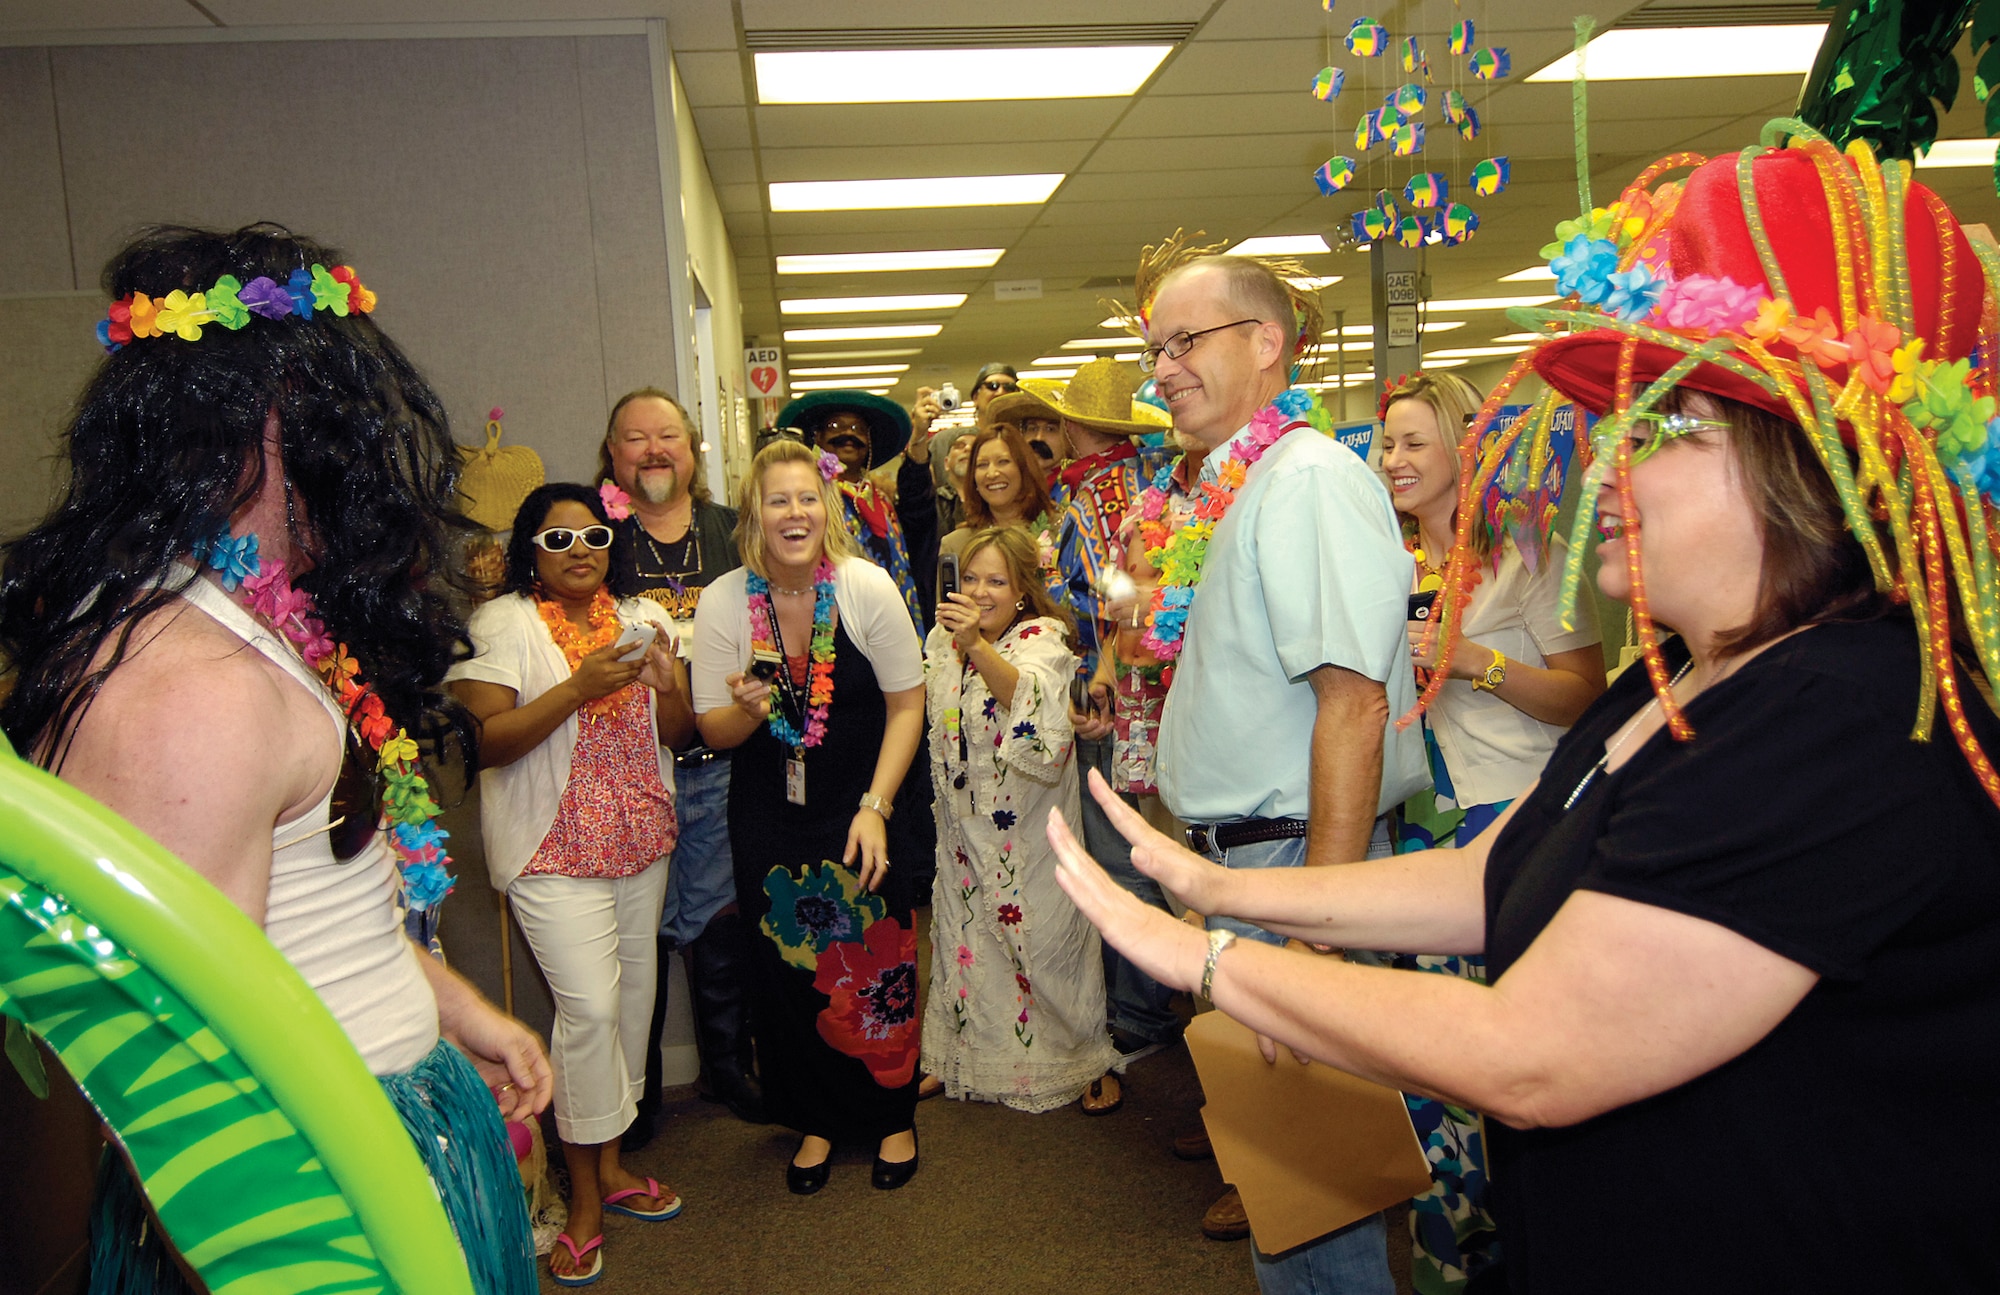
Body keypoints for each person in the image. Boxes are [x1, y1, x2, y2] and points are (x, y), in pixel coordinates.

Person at [1046, 133, 2000, 1295]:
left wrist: (1209, 960)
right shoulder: (1685, 675)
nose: (1598, 466)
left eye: (1653, 431)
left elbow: (1534, 1052)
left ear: (1796, 463)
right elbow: (1497, 869)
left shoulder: (1840, 711)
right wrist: (1223, 889)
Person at [0, 223, 545, 1295]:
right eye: (338, 426)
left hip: (375, 1120)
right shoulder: (188, 682)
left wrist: (444, 1003)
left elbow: (293, 920)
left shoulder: (251, 617)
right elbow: (184, 1070)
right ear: (259, 429)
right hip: (312, 1202)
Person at [1136, 248, 1429, 1293]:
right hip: (1251, 874)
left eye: (1184, 341)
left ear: (1266, 344)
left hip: (1297, 875)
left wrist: (1318, 928)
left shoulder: (1305, 479)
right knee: (1286, 1203)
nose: (1159, 369)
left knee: (1321, 1211)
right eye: (1151, 349)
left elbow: (1352, 703)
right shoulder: (1248, 484)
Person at [1378, 371, 1605, 1288]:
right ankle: (1450, 1264)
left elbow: (1585, 697)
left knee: (1507, 1062)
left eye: (1414, 443)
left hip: (1507, 826)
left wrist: (1478, 662)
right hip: (1412, 827)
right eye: (1386, 444)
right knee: (1428, 1066)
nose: (1393, 460)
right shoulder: (1383, 565)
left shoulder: (1528, 554)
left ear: (1463, 452)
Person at [447, 483, 694, 1285]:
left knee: (628, 1011)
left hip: (638, 837)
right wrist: (578, 687)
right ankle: (581, 1195)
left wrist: (669, 681)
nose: (578, 550)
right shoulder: (500, 624)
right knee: (585, 1011)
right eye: (556, 541)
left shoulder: (644, 617)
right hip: (553, 847)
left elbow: (680, 732)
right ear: (530, 552)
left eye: (590, 534)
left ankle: (614, 1169)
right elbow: (485, 742)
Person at [690, 439, 928, 1194]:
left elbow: (908, 702)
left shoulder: (866, 587)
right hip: (768, 811)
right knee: (788, 967)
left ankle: (892, 1116)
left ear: (826, 508)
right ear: (752, 514)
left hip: (863, 803)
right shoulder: (726, 599)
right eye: (776, 499)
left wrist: (877, 806)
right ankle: (816, 1118)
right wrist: (744, 708)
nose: (793, 513)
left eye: (805, 498)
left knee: (878, 957)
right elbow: (711, 731)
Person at [990, 359, 1178, 1115]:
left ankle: (1141, 1010)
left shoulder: (1098, 498)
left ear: (1069, 427)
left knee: (1122, 851)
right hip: (1140, 683)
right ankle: (1155, 998)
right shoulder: (1136, 484)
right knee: (1142, 844)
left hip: (1121, 688)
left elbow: (1116, 601)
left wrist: (1097, 667)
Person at [594, 388, 767, 1137]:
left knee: (721, 921)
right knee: (639, 931)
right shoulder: (593, 539)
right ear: (613, 457)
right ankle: (640, 1092)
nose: (653, 450)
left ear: (693, 449)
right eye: (636, 439)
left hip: (727, 758)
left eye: (668, 435)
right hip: (630, 769)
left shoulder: (734, 531)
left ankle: (729, 1068)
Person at [921, 527, 1112, 1110]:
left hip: (1030, 827)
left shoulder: (1044, 639)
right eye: (971, 578)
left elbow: (1037, 719)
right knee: (966, 939)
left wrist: (977, 645)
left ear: (1023, 590)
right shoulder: (940, 639)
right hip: (963, 823)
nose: (980, 592)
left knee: (1044, 941)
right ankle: (961, 1056)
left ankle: (1087, 1058)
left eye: (996, 581)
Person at [780, 389, 937, 630]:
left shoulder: (882, 501)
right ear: (817, 437)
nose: (848, 435)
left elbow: (918, 509)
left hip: (895, 621)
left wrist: (919, 437)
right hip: (836, 623)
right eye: (835, 426)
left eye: (859, 429)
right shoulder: (809, 500)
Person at [938, 421, 1060, 581]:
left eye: (1003, 462)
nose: (992, 473)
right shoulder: (955, 544)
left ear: (1024, 469)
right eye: (982, 465)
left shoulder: (1059, 530)